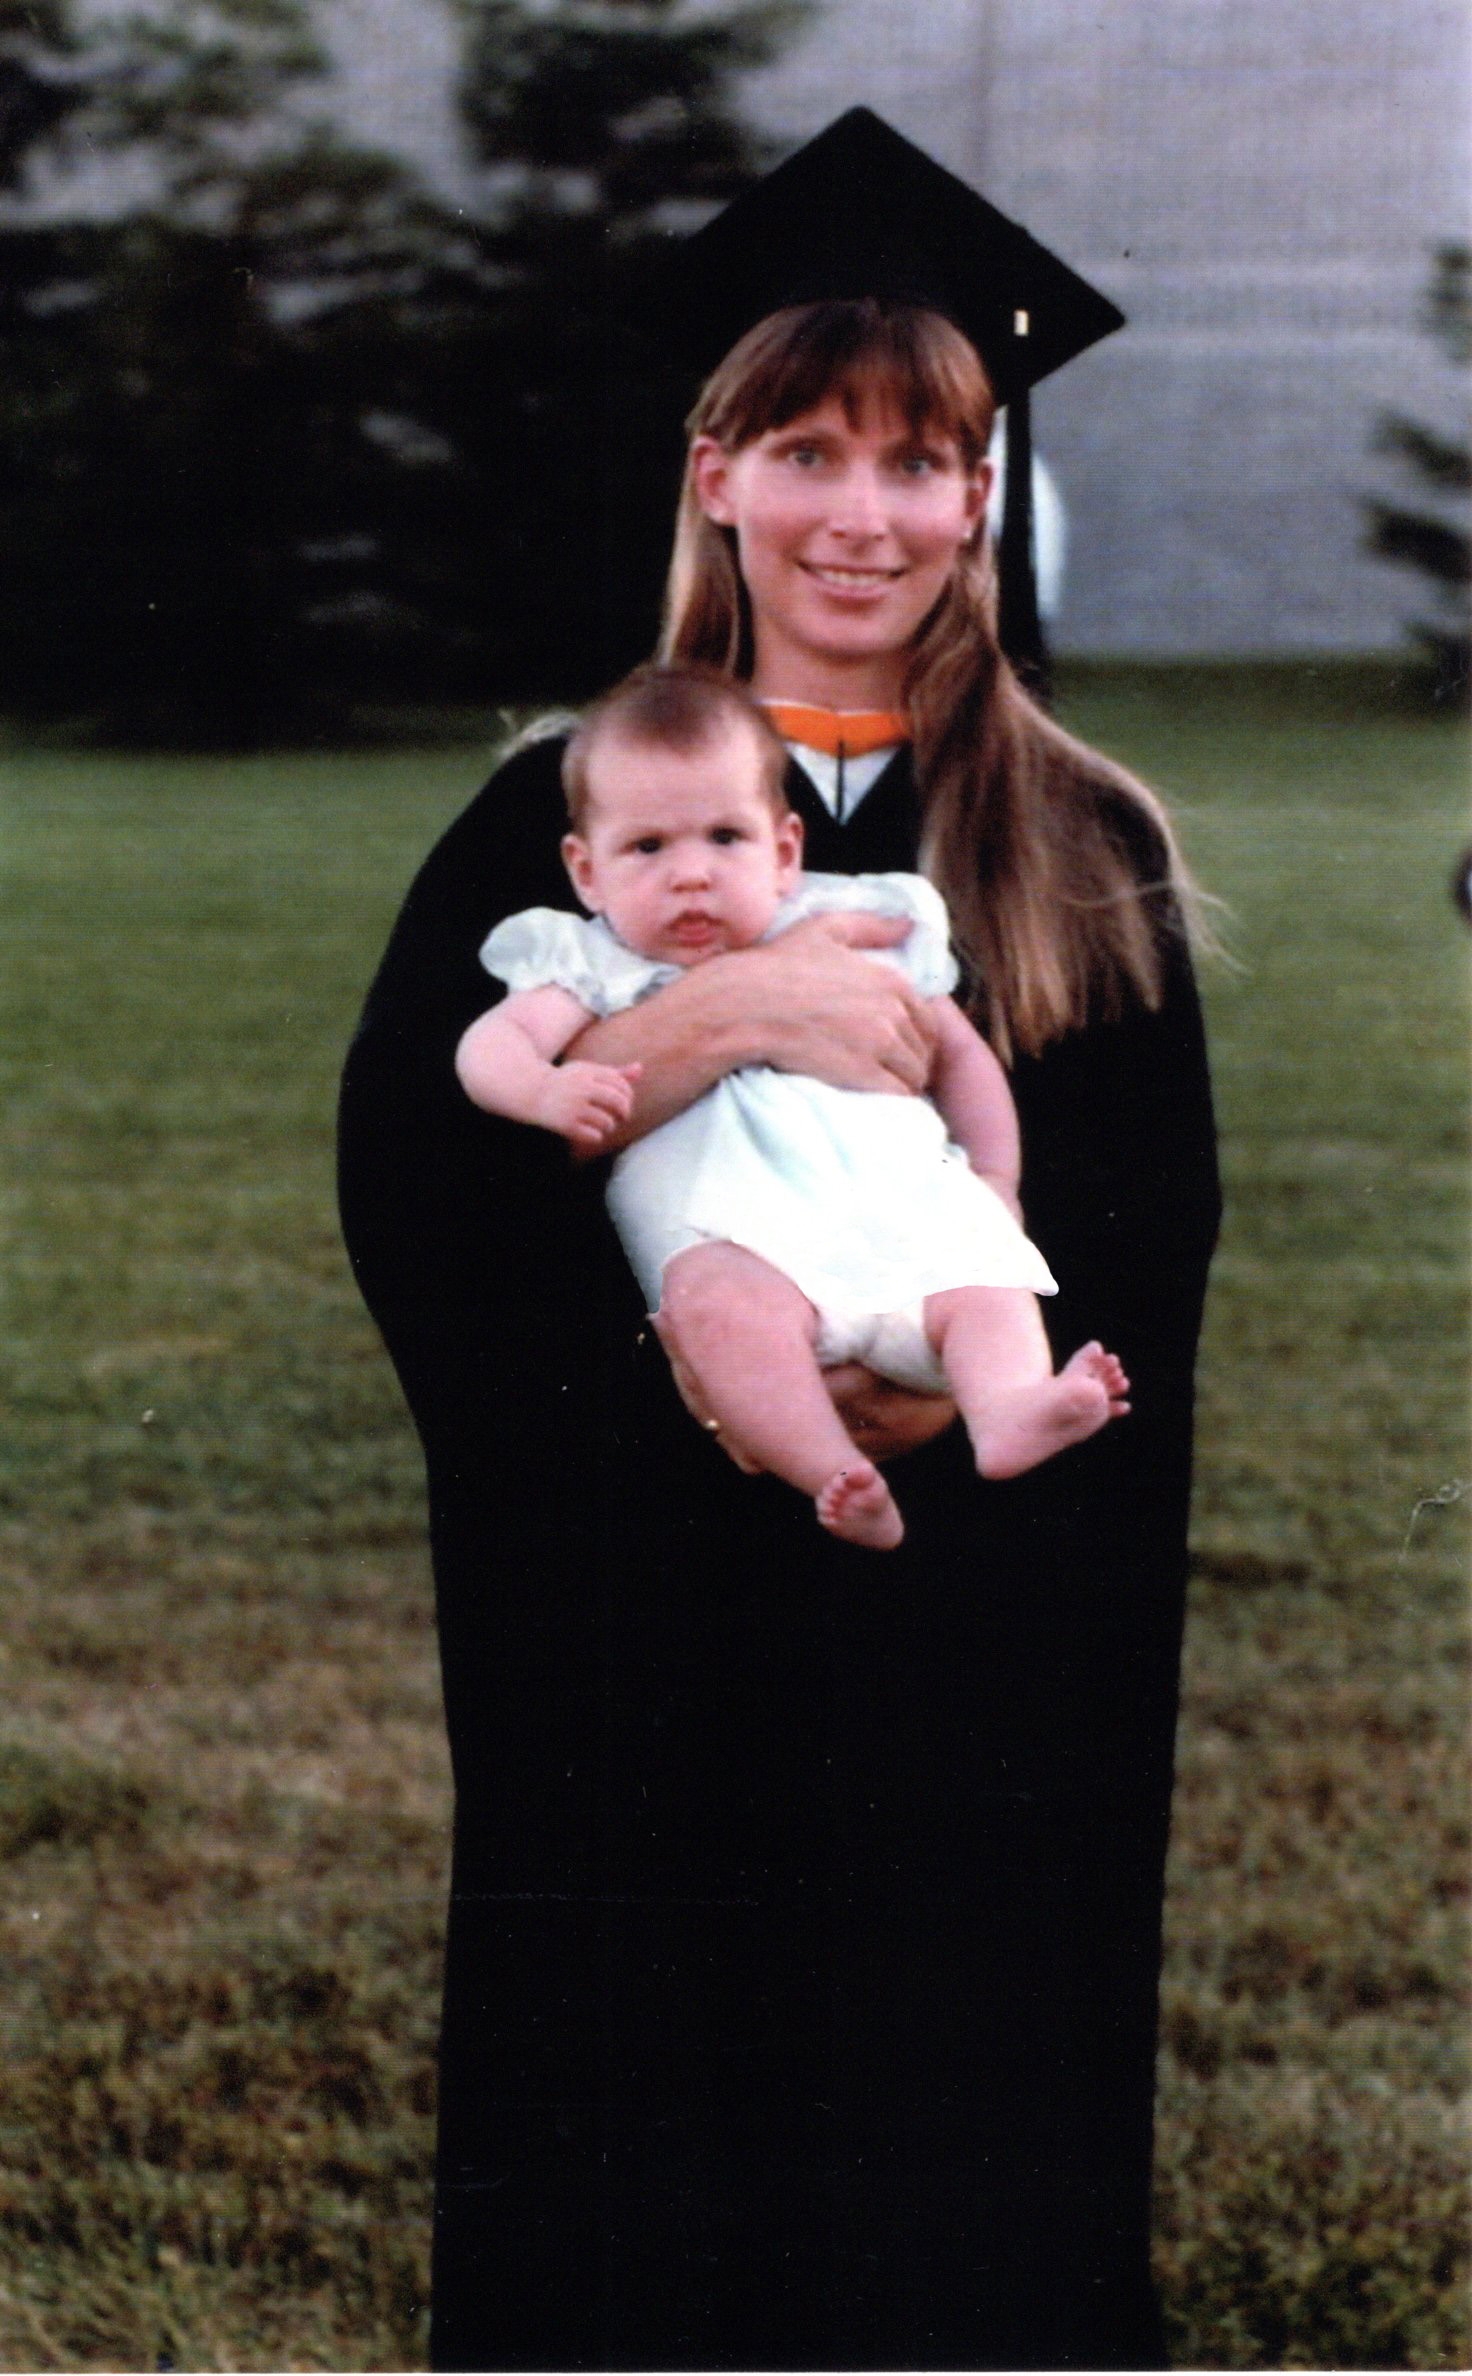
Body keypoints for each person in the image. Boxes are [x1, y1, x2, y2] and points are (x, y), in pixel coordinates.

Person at [338, 108, 1220, 2372]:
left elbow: (1143, 1220)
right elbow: (417, 1183)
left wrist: (933, 1381)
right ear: (713, 469)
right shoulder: (551, 818)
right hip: (633, 1573)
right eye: (808, 448)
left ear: (979, 495)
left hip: (969, 1601)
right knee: (634, 2071)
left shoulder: (1072, 836)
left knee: (952, 2085)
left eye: (920, 460)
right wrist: (709, 1345)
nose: (864, 511)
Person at [457, 662, 1130, 1551]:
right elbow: (487, 1049)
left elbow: (961, 1057)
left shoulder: (852, 928)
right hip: (740, 1246)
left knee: (988, 1275)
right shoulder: (596, 960)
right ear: (587, 871)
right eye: (648, 848)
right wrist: (543, 1088)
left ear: (785, 849)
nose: (691, 876)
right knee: (711, 1308)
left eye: (725, 838)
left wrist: (997, 1178)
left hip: (902, 1224)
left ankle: (1007, 1413)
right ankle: (831, 1471)